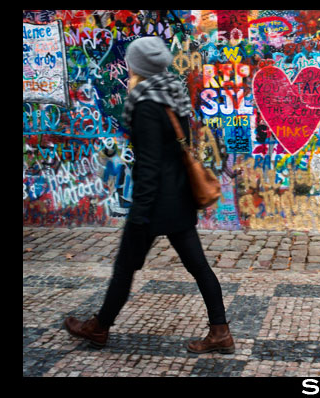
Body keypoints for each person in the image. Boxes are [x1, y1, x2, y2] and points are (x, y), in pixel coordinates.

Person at [63, 36, 234, 354]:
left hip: (153, 205)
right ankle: (220, 332)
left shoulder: (145, 104)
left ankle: (99, 328)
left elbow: (151, 166)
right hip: (178, 200)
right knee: (198, 266)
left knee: (124, 269)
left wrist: (139, 215)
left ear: (137, 66)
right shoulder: (173, 92)